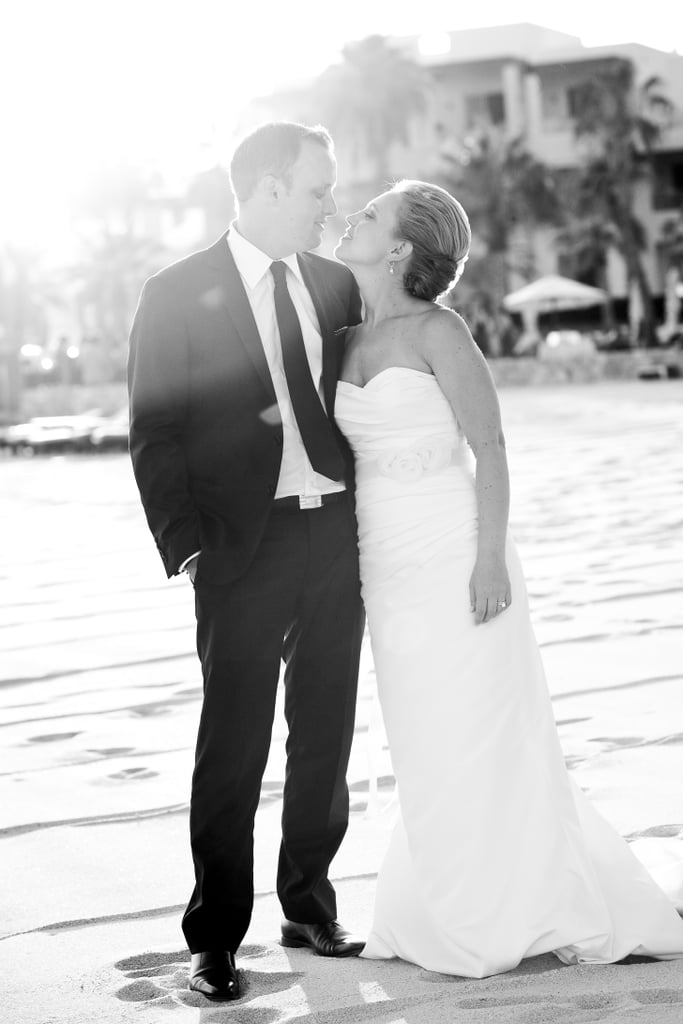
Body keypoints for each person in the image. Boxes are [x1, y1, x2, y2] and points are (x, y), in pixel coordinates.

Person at [333, 179, 683, 977]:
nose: (354, 216)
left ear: (398, 248)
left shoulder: (440, 331)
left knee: (484, 728)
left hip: (458, 555)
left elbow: (488, 450)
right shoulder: (345, 337)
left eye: (372, 214)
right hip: (381, 564)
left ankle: (518, 906)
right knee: (422, 735)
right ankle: (445, 899)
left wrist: (489, 557)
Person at [127, 122, 366, 1002]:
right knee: (232, 747)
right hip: (236, 551)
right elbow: (153, 432)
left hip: (334, 534)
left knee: (325, 732)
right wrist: (187, 549)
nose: (328, 207)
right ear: (267, 188)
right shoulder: (175, 290)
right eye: (316, 191)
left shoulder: (337, 285)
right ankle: (215, 938)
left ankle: (308, 903)